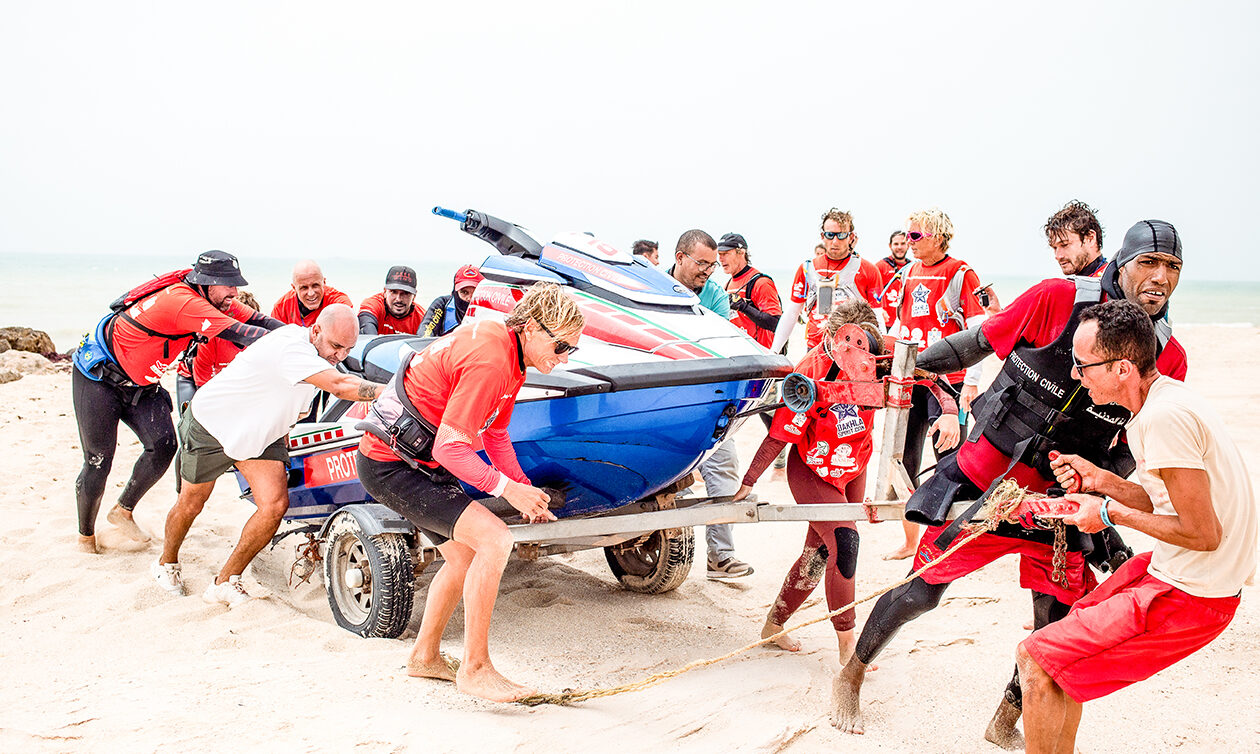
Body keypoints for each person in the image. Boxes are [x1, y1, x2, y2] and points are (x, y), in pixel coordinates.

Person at [833, 220, 1190, 744]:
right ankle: (853, 673)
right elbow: (977, 342)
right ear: (1121, 261)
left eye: (1173, 268)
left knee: (1053, 623)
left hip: (1059, 508)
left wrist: (1100, 483)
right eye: (1149, 263)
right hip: (986, 480)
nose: (1160, 277)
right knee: (920, 593)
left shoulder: (1170, 357)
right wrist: (901, 361)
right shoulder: (1058, 299)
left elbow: (1140, 448)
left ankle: (1005, 720)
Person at [1018, 299, 1255, 754]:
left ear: (1123, 368)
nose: (1074, 375)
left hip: (1192, 593)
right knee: (1056, 656)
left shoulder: (1162, 419)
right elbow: (1170, 502)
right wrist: (1102, 481)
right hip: (1184, 573)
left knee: (1036, 660)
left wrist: (1107, 514)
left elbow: (1204, 534)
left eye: (1083, 364)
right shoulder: (1165, 400)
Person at [356, 283, 581, 702]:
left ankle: (424, 657)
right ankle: (475, 669)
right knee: (495, 540)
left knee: (463, 557)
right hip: (392, 465)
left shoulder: (513, 355)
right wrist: (506, 488)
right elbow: (451, 446)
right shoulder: (492, 359)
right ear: (531, 327)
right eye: (562, 344)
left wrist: (526, 492)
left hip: (419, 460)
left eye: (574, 350)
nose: (566, 356)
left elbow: (494, 433)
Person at [154, 304, 385, 604]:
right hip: (214, 423)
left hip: (261, 435)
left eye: (348, 349)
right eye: (336, 346)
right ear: (316, 330)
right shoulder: (292, 347)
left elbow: (292, 407)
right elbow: (341, 386)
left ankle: (226, 580)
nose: (340, 356)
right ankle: (166, 564)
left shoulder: (320, 356)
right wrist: (396, 390)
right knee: (191, 502)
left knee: (275, 505)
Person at [70, 251, 282, 554]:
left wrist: (309, 336)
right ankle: (85, 538)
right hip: (99, 380)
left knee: (165, 446)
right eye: (228, 286)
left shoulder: (212, 298)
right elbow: (244, 334)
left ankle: (123, 511)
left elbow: (260, 320)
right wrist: (293, 347)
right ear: (207, 283)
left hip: (141, 385)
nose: (234, 293)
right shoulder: (183, 300)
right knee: (98, 461)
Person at [736, 300, 885, 663]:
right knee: (845, 543)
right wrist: (749, 481)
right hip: (812, 469)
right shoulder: (811, 371)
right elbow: (780, 434)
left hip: (854, 466)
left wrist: (946, 410)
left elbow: (926, 375)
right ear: (834, 339)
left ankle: (774, 625)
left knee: (818, 554)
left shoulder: (878, 358)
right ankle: (848, 646)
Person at [879, 208, 980, 560]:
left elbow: (979, 330)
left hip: (948, 383)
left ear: (938, 236)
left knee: (950, 462)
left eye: (916, 235)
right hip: (911, 380)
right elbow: (897, 325)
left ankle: (949, 541)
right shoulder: (906, 272)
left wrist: (972, 383)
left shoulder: (960, 273)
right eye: (908, 234)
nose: (909, 241)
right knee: (903, 460)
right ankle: (911, 541)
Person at [670, 230, 752, 578]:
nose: (707, 271)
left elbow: (724, 342)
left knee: (724, 467)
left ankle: (720, 556)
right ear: (680, 258)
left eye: (712, 265)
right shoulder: (649, 286)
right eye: (701, 263)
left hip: (706, 402)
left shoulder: (716, 295)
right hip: (663, 400)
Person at [772, 209, 882, 354]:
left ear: (851, 237)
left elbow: (877, 316)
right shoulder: (807, 269)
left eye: (841, 235)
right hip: (816, 347)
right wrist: (773, 351)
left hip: (853, 349)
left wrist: (882, 352)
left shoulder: (868, 270)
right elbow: (792, 312)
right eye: (830, 235)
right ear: (822, 236)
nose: (835, 241)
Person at [174, 290, 262, 410]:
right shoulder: (210, 339)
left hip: (226, 379)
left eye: (248, 323)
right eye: (238, 324)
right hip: (192, 378)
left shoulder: (258, 342)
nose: (243, 330)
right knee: (193, 422)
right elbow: (203, 388)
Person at [718, 232, 782, 350]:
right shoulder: (727, 285)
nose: (721, 259)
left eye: (726, 254)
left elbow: (776, 323)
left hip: (761, 357)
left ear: (741, 253)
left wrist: (744, 307)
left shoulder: (761, 282)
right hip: (740, 354)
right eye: (719, 254)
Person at [271, 260, 353, 326]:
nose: (311, 293)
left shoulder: (340, 304)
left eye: (315, 285)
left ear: (324, 282)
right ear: (294, 288)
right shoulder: (281, 308)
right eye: (304, 288)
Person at [1047, 200, 1107, 277]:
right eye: (1054, 248)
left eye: (1064, 245)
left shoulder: (1115, 282)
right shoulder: (1076, 284)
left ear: (1090, 239)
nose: (1058, 256)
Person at [359, 265, 425, 335]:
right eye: (394, 292)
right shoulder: (373, 305)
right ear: (385, 292)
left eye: (405, 293)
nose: (399, 299)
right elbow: (366, 327)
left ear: (414, 296)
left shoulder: (422, 318)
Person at [421, 264, 484, 337]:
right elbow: (425, 332)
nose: (469, 298)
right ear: (455, 292)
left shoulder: (490, 310)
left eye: (475, 292)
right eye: (464, 292)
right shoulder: (442, 304)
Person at [874, 230, 911, 329]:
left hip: (904, 323)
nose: (899, 247)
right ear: (890, 246)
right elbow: (872, 290)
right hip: (885, 322)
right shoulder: (881, 266)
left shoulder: (913, 267)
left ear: (908, 245)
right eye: (896, 244)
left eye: (903, 244)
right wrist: (879, 309)